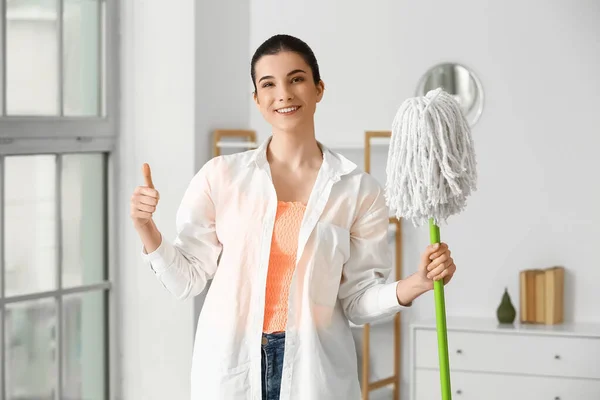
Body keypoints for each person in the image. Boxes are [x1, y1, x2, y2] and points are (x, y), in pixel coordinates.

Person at [130, 34, 457, 400]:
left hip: (314, 372)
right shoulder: (221, 176)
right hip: (232, 366)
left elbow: (357, 302)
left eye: (296, 79)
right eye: (268, 84)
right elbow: (186, 280)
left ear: (318, 89)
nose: (283, 93)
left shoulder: (358, 190)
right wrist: (146, 228)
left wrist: (417, 282)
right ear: (257, 99)